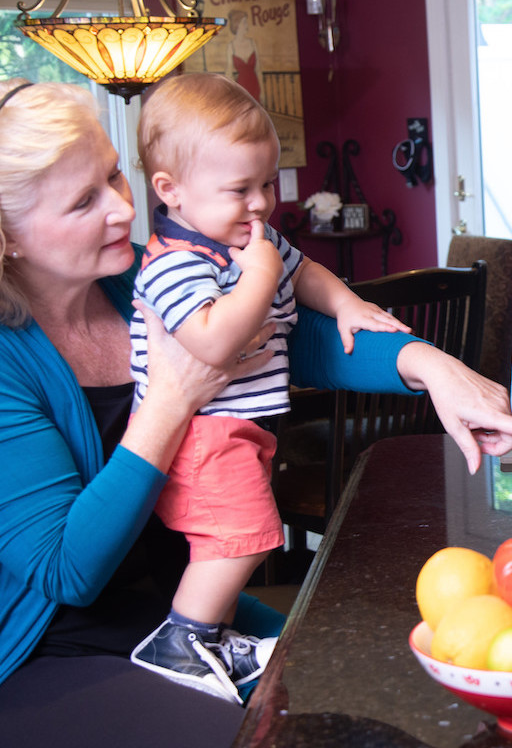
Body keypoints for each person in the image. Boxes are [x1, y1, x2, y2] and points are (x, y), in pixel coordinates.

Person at [0, 79, 512, 748]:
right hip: (34, 664)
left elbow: (297, 336)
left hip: (180, 617)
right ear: (3, 234)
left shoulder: (131, 284)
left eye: (114, 175)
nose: (124, 208)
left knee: (394, 692)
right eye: (84, 201)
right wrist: (173, 398)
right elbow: (69, 570)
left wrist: (433, 367)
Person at [124, 72, 408, 701]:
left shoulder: (247, 243)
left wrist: (346, 305)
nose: (259, 204)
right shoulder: (175, 263)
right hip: (201, 433)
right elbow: (213, 342)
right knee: (242, 534)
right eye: (238, 189)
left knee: (240, 534)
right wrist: (260, 274)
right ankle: (184, 638)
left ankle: (210, 633)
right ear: (170, 191)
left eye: (266, 184)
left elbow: (304, 270)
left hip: (242, 429)